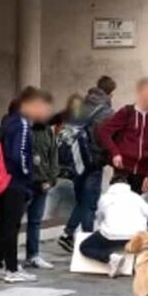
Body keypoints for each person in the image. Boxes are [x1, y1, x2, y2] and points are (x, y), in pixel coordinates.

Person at [0, 87, 52, 283]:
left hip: (2, 179)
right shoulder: (22, 125)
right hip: (15, 181)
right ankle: (12, 269)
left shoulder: (8, 122)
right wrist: (27, 175)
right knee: (11, 225)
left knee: (0, 223)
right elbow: (19, 155)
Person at [57, 76, 116, 252]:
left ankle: (68, 234)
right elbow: (105, 138)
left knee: (82, 200)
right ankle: (88, 243)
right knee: (90, 203)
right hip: (93, 162)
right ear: (110, 93)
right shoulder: (106, 112)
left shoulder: (81, 106)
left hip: (76, 162)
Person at [79, 176, 148, 277]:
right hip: (135, 235)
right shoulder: (136, 197)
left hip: (111, 235)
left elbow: (99, 218)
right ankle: (142, 258)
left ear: (111, 185)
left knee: (85, 247)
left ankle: (110, 257)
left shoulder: (105, 198)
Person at [98, 77, 148, 193]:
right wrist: (115, 153)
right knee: (118, 205)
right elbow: (104, 132)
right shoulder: (127, 112)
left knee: (134, 207)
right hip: (123, 169)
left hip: (142, 172)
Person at [24, 92, 58, 270]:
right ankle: (10, 258)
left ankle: (33, 254)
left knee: (35, 221)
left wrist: (51, 180)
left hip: (43, 184)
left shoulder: (48, 132)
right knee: (14, 221)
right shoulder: (24, 129)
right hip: (26, 183)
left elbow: (54, 157)